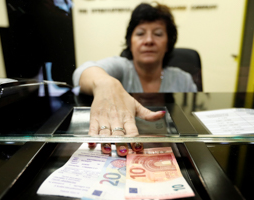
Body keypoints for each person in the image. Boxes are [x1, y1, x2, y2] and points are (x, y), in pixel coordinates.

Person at [72, 2, 197, 156]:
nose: (149, 40)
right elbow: (81, 72)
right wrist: (107, 84)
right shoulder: (121, 67)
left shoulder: (183, 79)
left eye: (158, 34)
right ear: (130, 42)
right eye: (140, 34)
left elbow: (193, 126)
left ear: (168, 44)